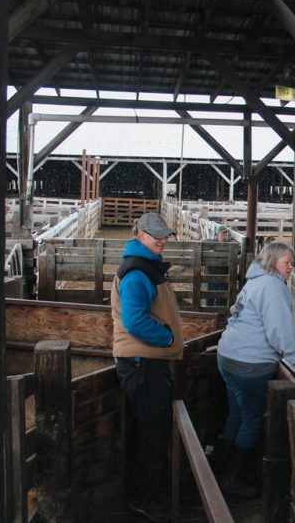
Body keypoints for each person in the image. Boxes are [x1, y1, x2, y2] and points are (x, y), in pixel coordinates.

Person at [216, 241, 295, 498]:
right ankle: (233, 479)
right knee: (252, 419)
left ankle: (225, 469)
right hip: (249, 364)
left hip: (228, 356)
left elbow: (235, 312)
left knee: (237, 414)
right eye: (286, 263)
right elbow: (280, 334)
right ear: (272, 262)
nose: (290, 268)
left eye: (291, 263)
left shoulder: (255, 281)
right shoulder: (272, 287)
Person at [111, 212, 184, 523]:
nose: (162, 239)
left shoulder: (147, 266)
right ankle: (145, 498)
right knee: (152, 430)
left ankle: (146, 493)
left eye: (165, 234)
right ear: (140, 234)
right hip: (144, 361)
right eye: (156, 235)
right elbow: (134, 320)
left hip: (148, 360)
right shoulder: (137, 271)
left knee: (151, 428)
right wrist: (167, 338)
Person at [202, 225, 233, 307]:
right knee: (208, 299)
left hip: (223, 276)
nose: (225, 235)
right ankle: (207, 311)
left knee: (221, 300)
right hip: (210, 275)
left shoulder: (230, 243)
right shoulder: (210, 242)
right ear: (217, 233)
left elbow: (238, 248)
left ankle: (220, 312)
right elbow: (200, 244)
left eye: (226, 233)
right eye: (223, 233)